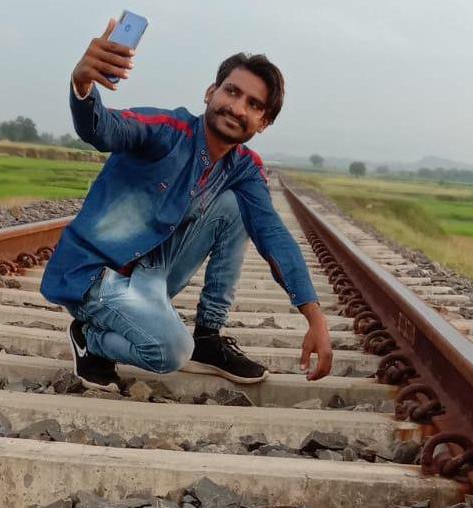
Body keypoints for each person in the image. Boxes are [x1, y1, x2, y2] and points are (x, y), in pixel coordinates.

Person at [41, 17, 332, 391]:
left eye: (253, 104)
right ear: (210, 92)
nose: (237, 107)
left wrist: (315, 317)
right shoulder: (167, 130)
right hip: (94, 274)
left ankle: (208, 337)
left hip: (150, 276)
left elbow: (272, 234)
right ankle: (90, 339)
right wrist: (82, 86)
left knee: (236, 206)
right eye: (231, 92)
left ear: (263, 122)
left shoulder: (243, 167)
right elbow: (104, 129)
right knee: (171, 351)